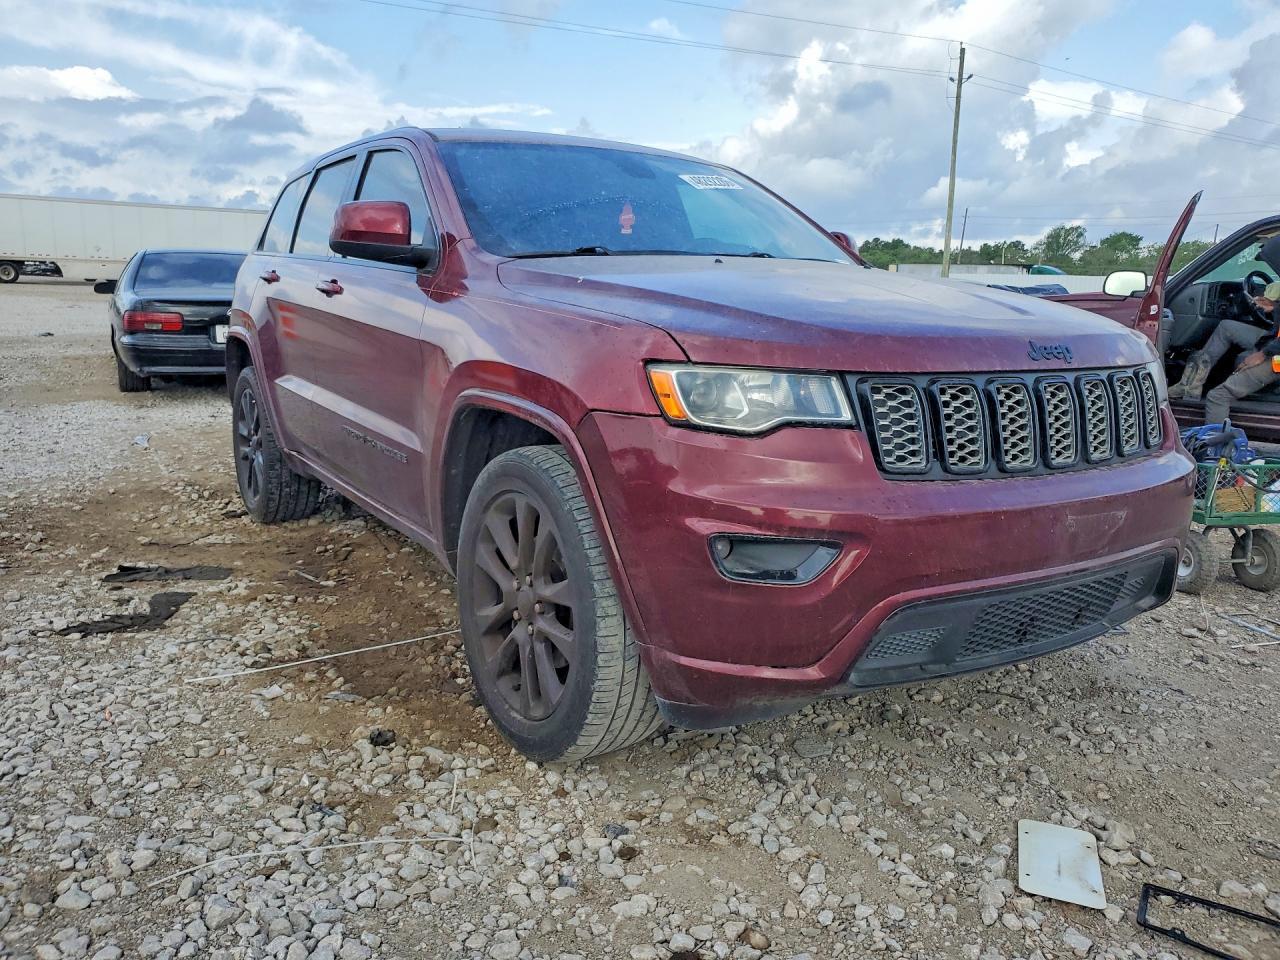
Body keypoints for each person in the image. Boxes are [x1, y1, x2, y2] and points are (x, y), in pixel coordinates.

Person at [1168, 279, 1280, 424]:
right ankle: (1190, 384)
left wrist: (1261, 354)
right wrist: (1271, 307)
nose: (1263, 304)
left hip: (1276, 358)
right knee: (1226, 327)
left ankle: (1216, 443)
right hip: (1272, 341)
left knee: (1217, 396)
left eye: (1268, 301)